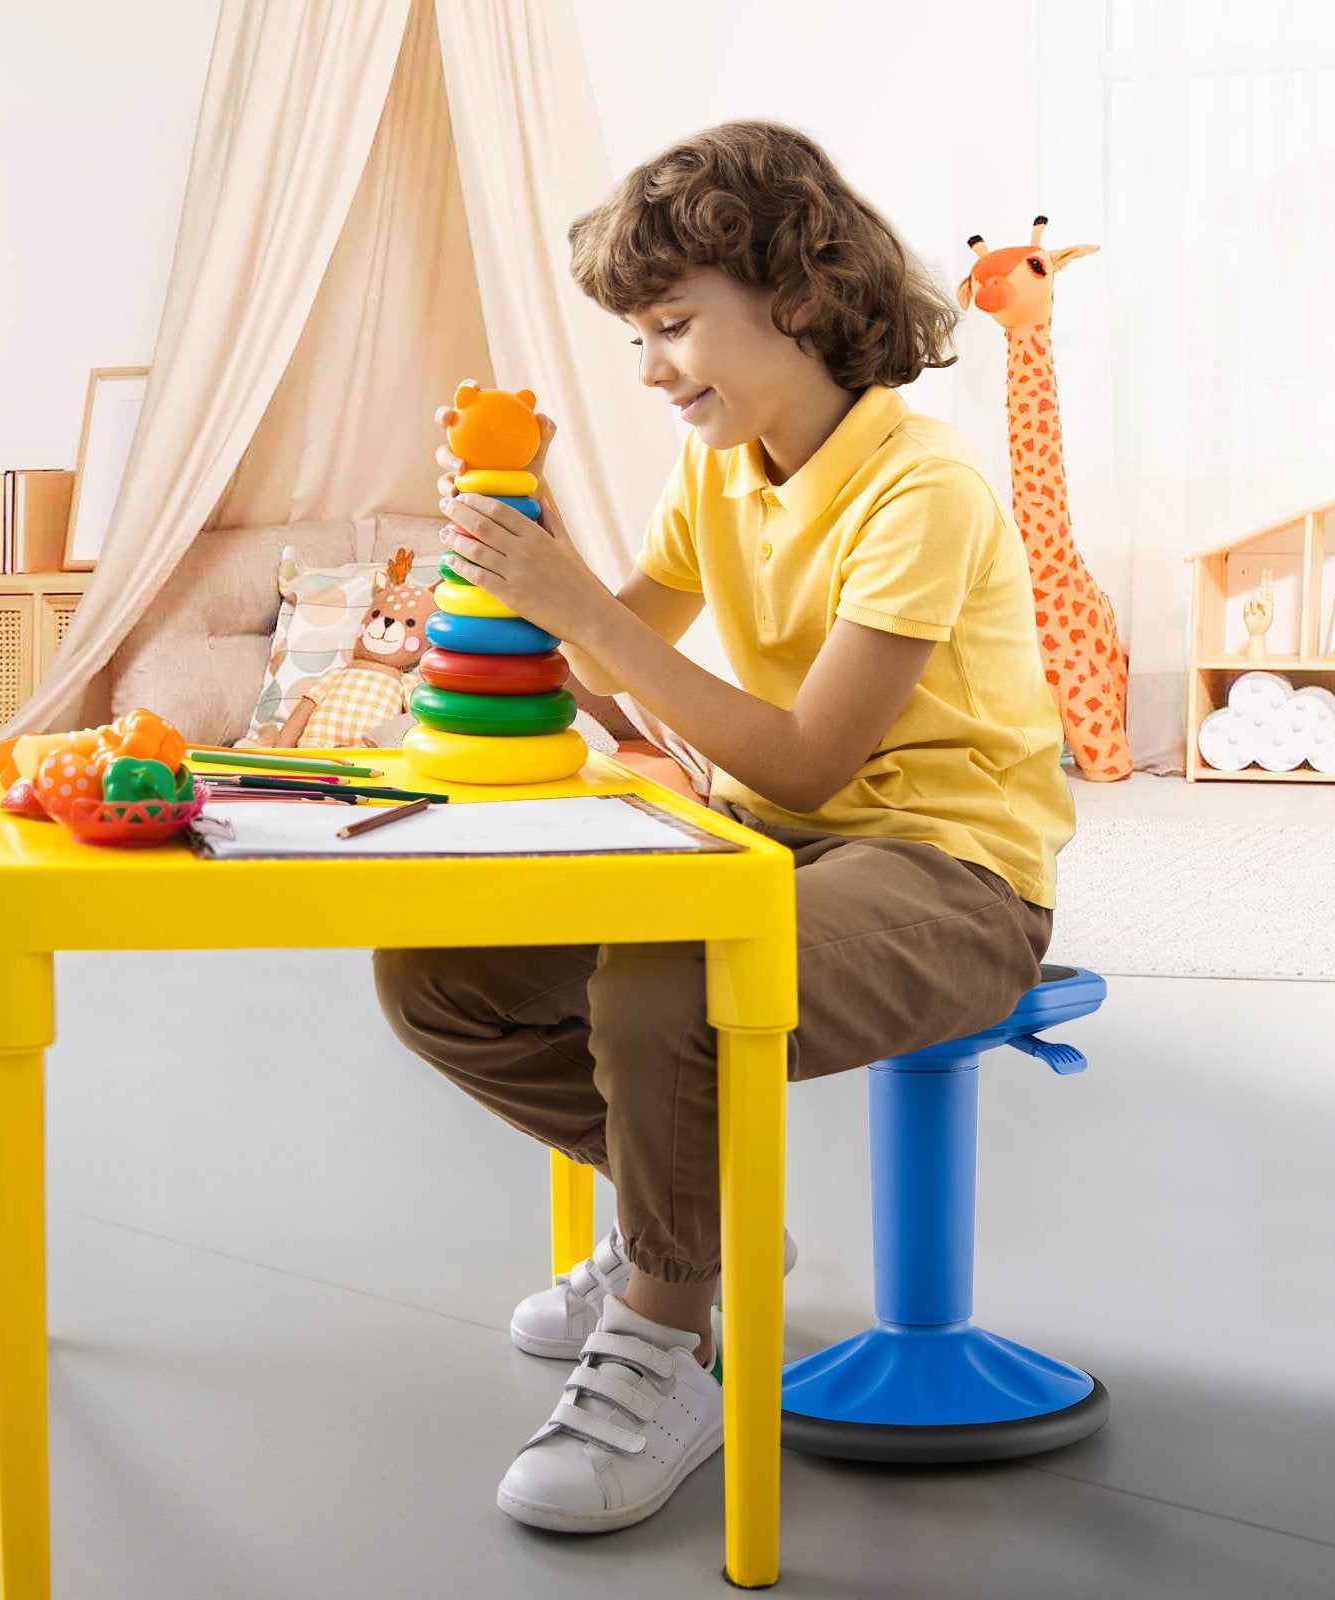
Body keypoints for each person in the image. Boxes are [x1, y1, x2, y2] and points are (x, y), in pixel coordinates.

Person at [371, 119, 1075, 1535]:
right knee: (436, 971)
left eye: (674, 326)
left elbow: (811, 764)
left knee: (669, 977)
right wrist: (517, 558)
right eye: (637, 337)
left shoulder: (920, 488)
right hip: (765, 851)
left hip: (949, 874)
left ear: (801, 298)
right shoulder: (719, 469)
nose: (651, 372)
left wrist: (574, 608)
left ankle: (667, 1328)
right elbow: (611, 660)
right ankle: (694, 1216)